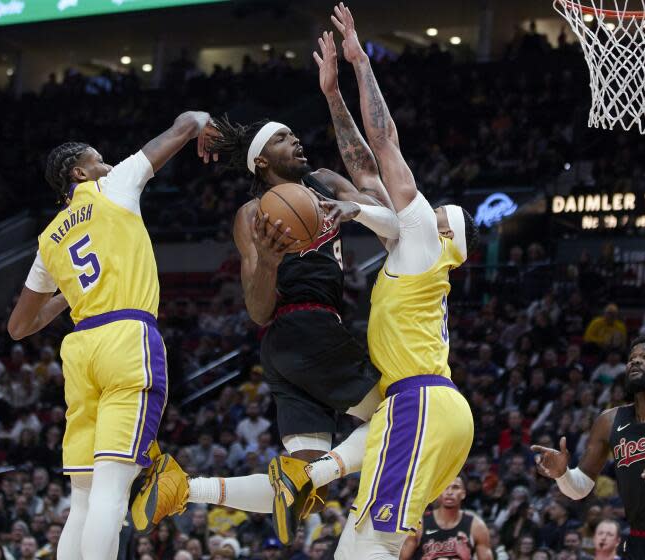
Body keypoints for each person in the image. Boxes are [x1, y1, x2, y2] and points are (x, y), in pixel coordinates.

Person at [135, 12, 403, 544]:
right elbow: (257, 309)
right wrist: (271, 260)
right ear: (262, 162)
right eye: (284, 139)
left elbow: (389, 212)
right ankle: (322, 477)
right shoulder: (251, 215)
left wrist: (349, 203)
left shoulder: (323, 181)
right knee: (408, 417)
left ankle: (184, 488)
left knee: (299, 486)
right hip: (307, 330)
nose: (297, 142)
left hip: (287, 351)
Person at [281, 6, 476, 558]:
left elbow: (384, 142)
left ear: (443, 233)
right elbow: (365, 173)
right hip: (420, 407)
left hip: (420, 405)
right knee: (367, 546)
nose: (419, 205)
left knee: (368, 549)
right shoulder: (412, 249)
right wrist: (331, 95)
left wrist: (360, 61)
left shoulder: (423, 246)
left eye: (437, 211)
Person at [6, 110, 213, 559]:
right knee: (111, 492)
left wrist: (69, 293)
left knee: (82, 498)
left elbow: (18, 327)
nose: (108, 163)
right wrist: (201, 119)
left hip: (81, 349)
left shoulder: (47, 239)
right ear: (80, 172)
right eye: (99, 160)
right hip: (126, 337)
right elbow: (181, 127)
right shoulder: (112, 186)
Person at [533, 336, 645, 559]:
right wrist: (562, 474)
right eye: (632, 359)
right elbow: (580, 488)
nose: (635, 362)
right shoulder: (608, 421)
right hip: (638, 542)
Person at [400, 477, 493, 559]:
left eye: (455, 487)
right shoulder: (420, 524)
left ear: (463, 494)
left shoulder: (477, 526)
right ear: (438, 492)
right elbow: (401, 558)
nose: (449, 492)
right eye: (445, 487)